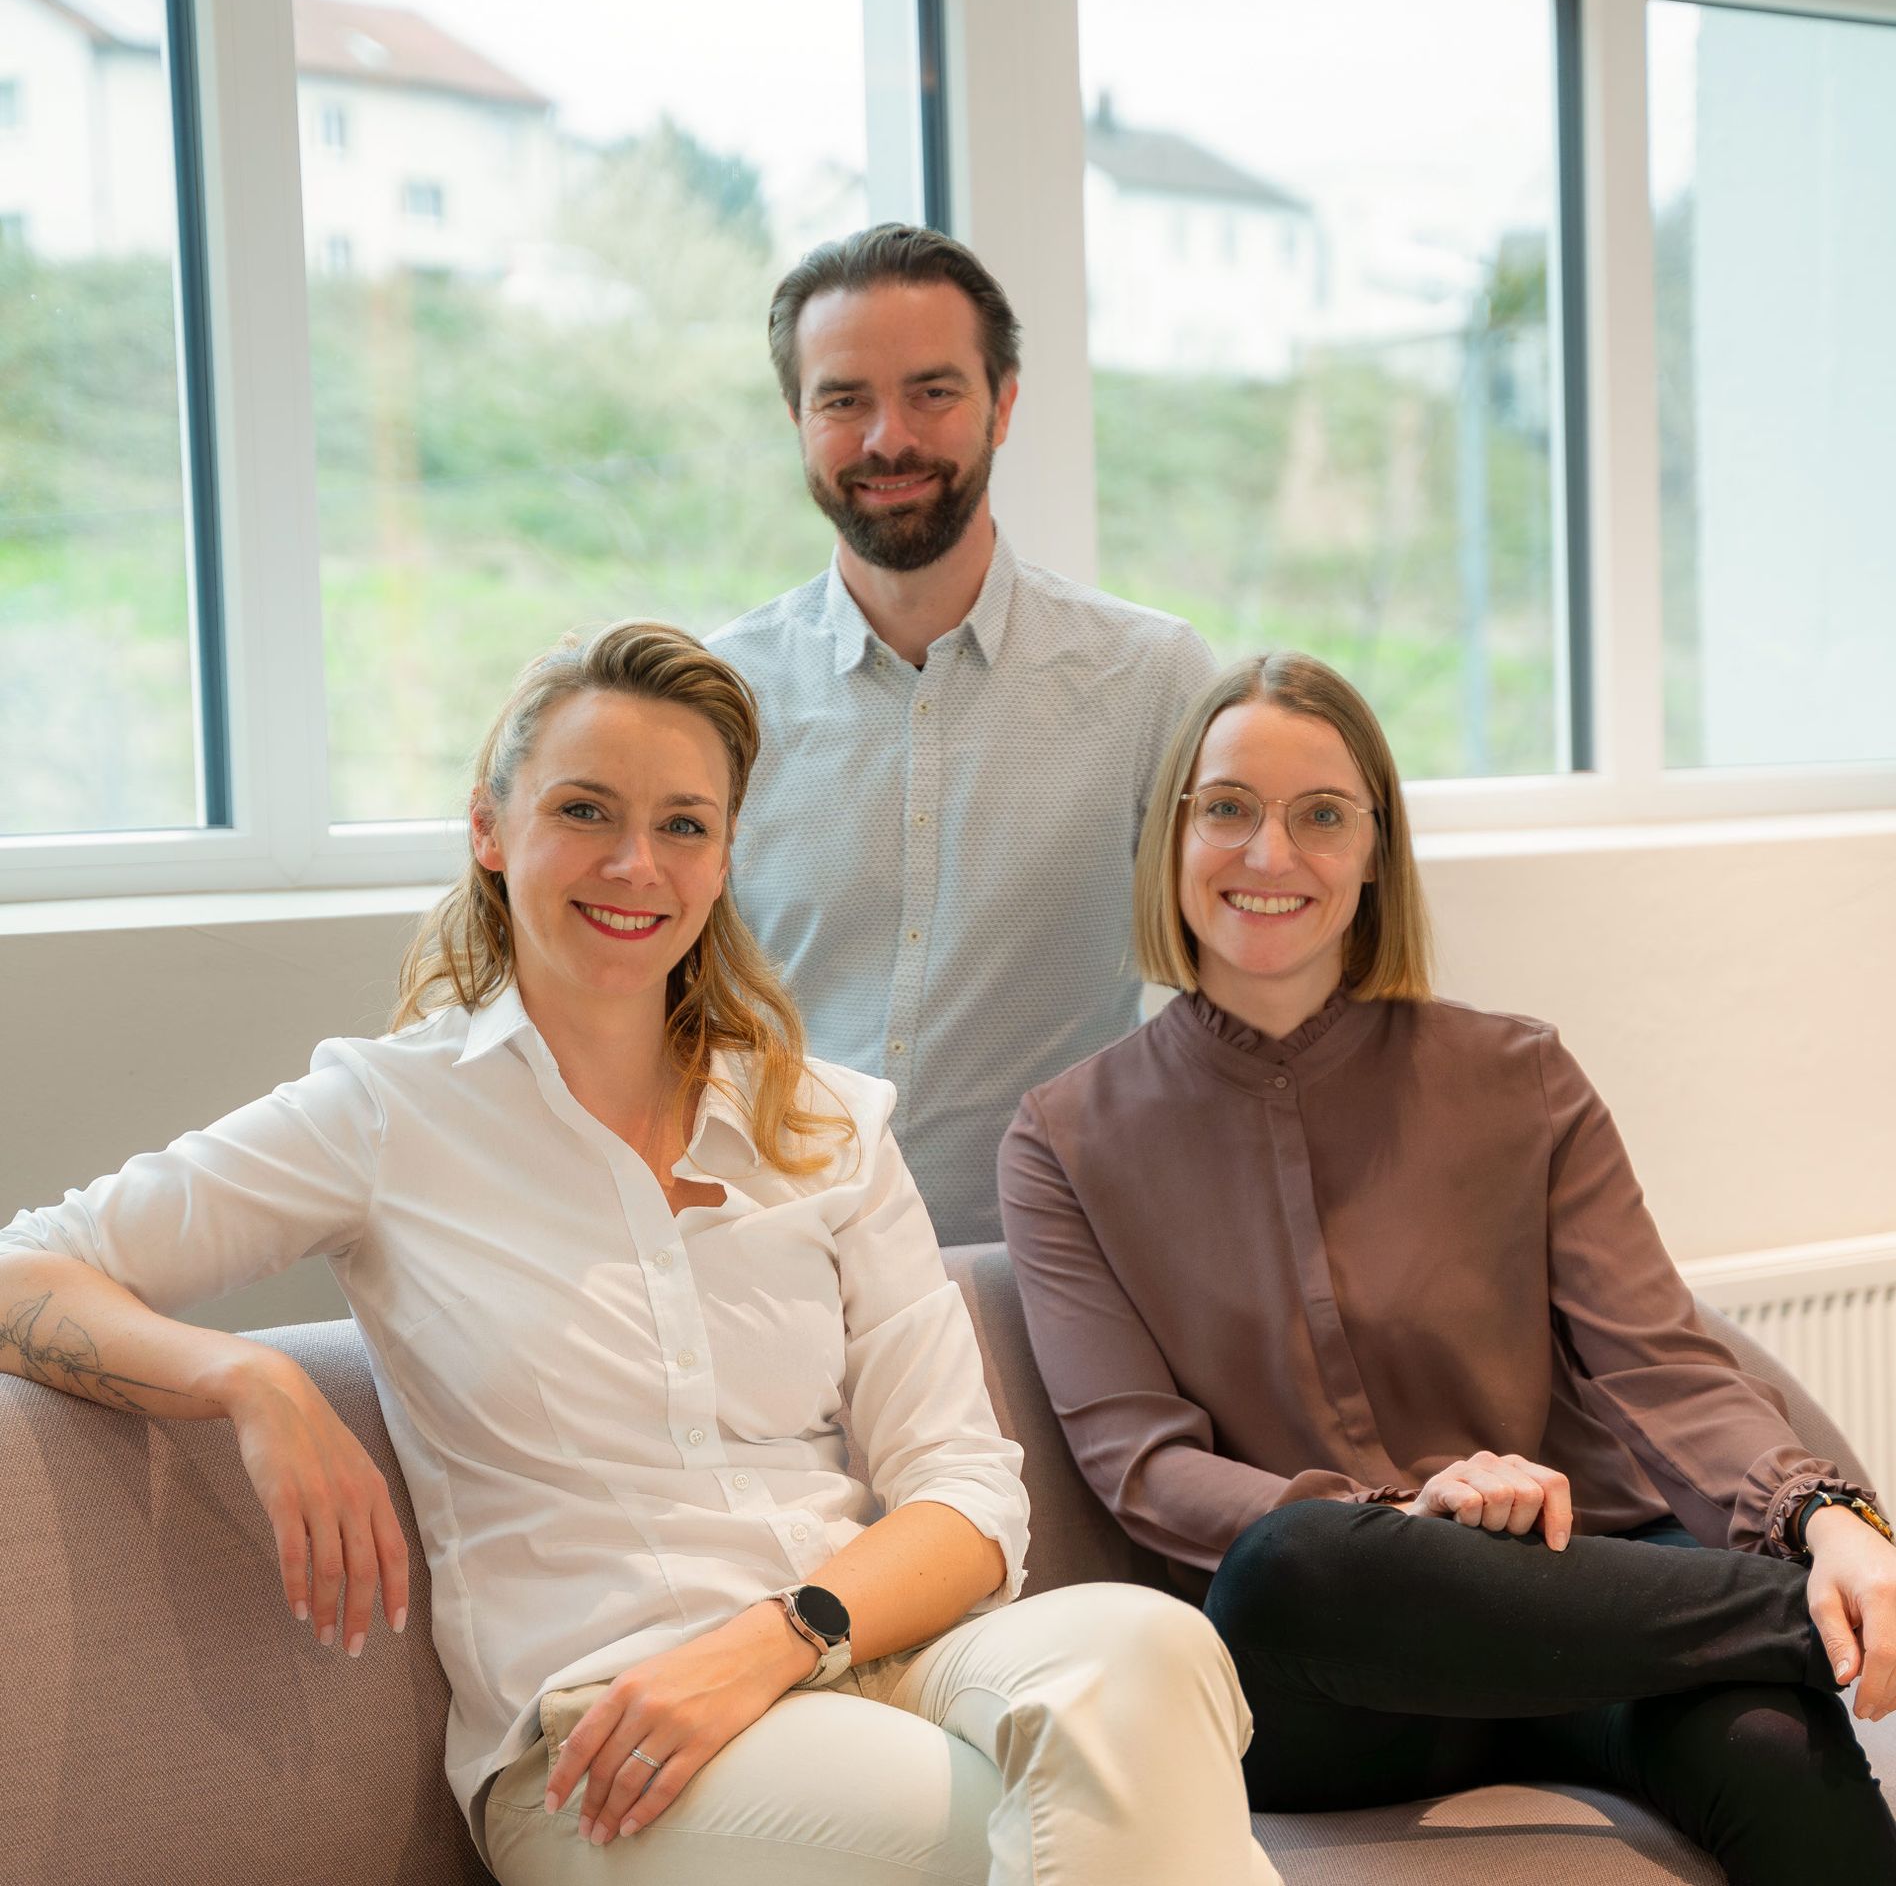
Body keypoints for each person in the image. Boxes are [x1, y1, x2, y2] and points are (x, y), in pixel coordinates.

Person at [0, 621, 1274, 1886]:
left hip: (878, 1654)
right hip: (615, 1740)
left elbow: (969, 1496)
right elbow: (25, 1269)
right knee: (1070, 1818)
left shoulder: (826, 1124)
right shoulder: (387, 1116)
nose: (635, 864)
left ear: (724, 860)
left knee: (1155, 1652)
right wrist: (249, 1382)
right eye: (585, 810)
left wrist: (784, 1639)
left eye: (682, 824)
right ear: (492, 833)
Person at [998, 648, 1896, 1881]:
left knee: (1771, 1741)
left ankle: (1809, 1616)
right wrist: (1406, 1522)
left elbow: (1662, 1362)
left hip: (1578, 1621)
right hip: (1328, 1676)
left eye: (1322, 815)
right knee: (1290, 1560)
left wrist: (1826, 1515)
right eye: (1228, 809)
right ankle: (1801, 1619)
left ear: (1375, 853)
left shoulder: (1520, 1077)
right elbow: (1142, 1467)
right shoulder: (1062, 1137)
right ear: (1173, 836)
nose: (1271, 855)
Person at [709, 223, 1216, 1247]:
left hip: (1055, 1276)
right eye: (843, 399)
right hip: (773, 1265)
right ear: (797, 418)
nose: (887, 438)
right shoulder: (719, 697)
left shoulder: (1153, 681)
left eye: (933, 392)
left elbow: (1244, 987)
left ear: (1005, 403)